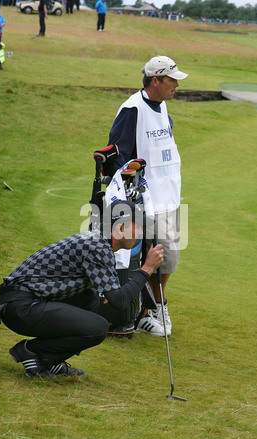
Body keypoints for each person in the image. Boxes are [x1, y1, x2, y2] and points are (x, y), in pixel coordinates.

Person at [0, 201, 164, 378]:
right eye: (138, 227)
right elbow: (119, 301)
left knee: (88, 298)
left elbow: (112, 295)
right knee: (98, 328)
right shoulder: (98, 246)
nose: (140, 233)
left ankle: (49, 360)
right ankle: (33, 352)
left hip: (22, 302)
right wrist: (147, 268)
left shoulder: (98, 241)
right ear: (121, 228)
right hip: (21, 307)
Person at [106, 56, 188, 337]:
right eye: (172, 79)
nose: (176, 84)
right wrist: (126, 195)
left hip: (170, 196)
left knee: (168, 259)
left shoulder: (163, 107)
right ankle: (146, 311)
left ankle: (154, 306)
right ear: (156, 80)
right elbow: (117, 153)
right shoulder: (132, 109)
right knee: (140, 257)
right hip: (144, 198)